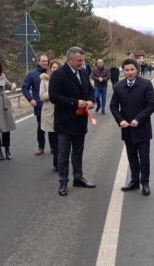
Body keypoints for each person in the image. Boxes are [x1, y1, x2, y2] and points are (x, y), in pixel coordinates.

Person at [49, 46, 96, 196]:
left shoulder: (82, 73)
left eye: (82, 60)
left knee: (78, 151)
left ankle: (78, 177)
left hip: (80, 120)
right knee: (63, 153)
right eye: (79, 60)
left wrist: (90, 101)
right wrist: (75, 102)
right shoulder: (58, 75)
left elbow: (90, 90)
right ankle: (63, 182)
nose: (82, 63)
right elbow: (54, 96)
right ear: (70, 59)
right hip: (65, 122)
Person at [110, 58, 154, 195]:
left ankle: (145, 183)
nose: (130, 72)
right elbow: (113, 106)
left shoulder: (146, 84)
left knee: (144, 158)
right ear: (123, 71)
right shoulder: (118, 86)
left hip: (142, 129)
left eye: (132, 69)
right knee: (132, 157)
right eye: (127, 70)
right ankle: (134, 181)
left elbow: (152, 105)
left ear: (137, 69)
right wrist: (120, 120)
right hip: (127, 129)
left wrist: (138, 119)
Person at [0, 59, 17, 160]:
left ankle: (7, 149)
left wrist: (13, 85)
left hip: (4, 103)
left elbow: (9, 85)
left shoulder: (3, 76)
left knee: (6, 127)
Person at [22, 54, 49, 156]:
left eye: (46, 61)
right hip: (39, 105)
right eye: (43, 61)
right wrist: (30, 99)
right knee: (41, 127)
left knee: (54, 127)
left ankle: (53, 147)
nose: (45, 63)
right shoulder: (32, 74)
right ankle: (41, 147)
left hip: (52, 104)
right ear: (38, 62)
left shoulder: (51, 72)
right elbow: (25, 88)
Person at [39, 60, 61, 172]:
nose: (55, 69)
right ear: (49, 69)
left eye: (57, 67)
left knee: (62, 139)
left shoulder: (63, 79)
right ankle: (56, 163)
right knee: (54, 141)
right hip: (49, 113)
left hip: (62, 112)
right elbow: (42, 97)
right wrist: (52, 92)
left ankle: (61, 161)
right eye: (53, 67)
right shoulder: (44, 81)